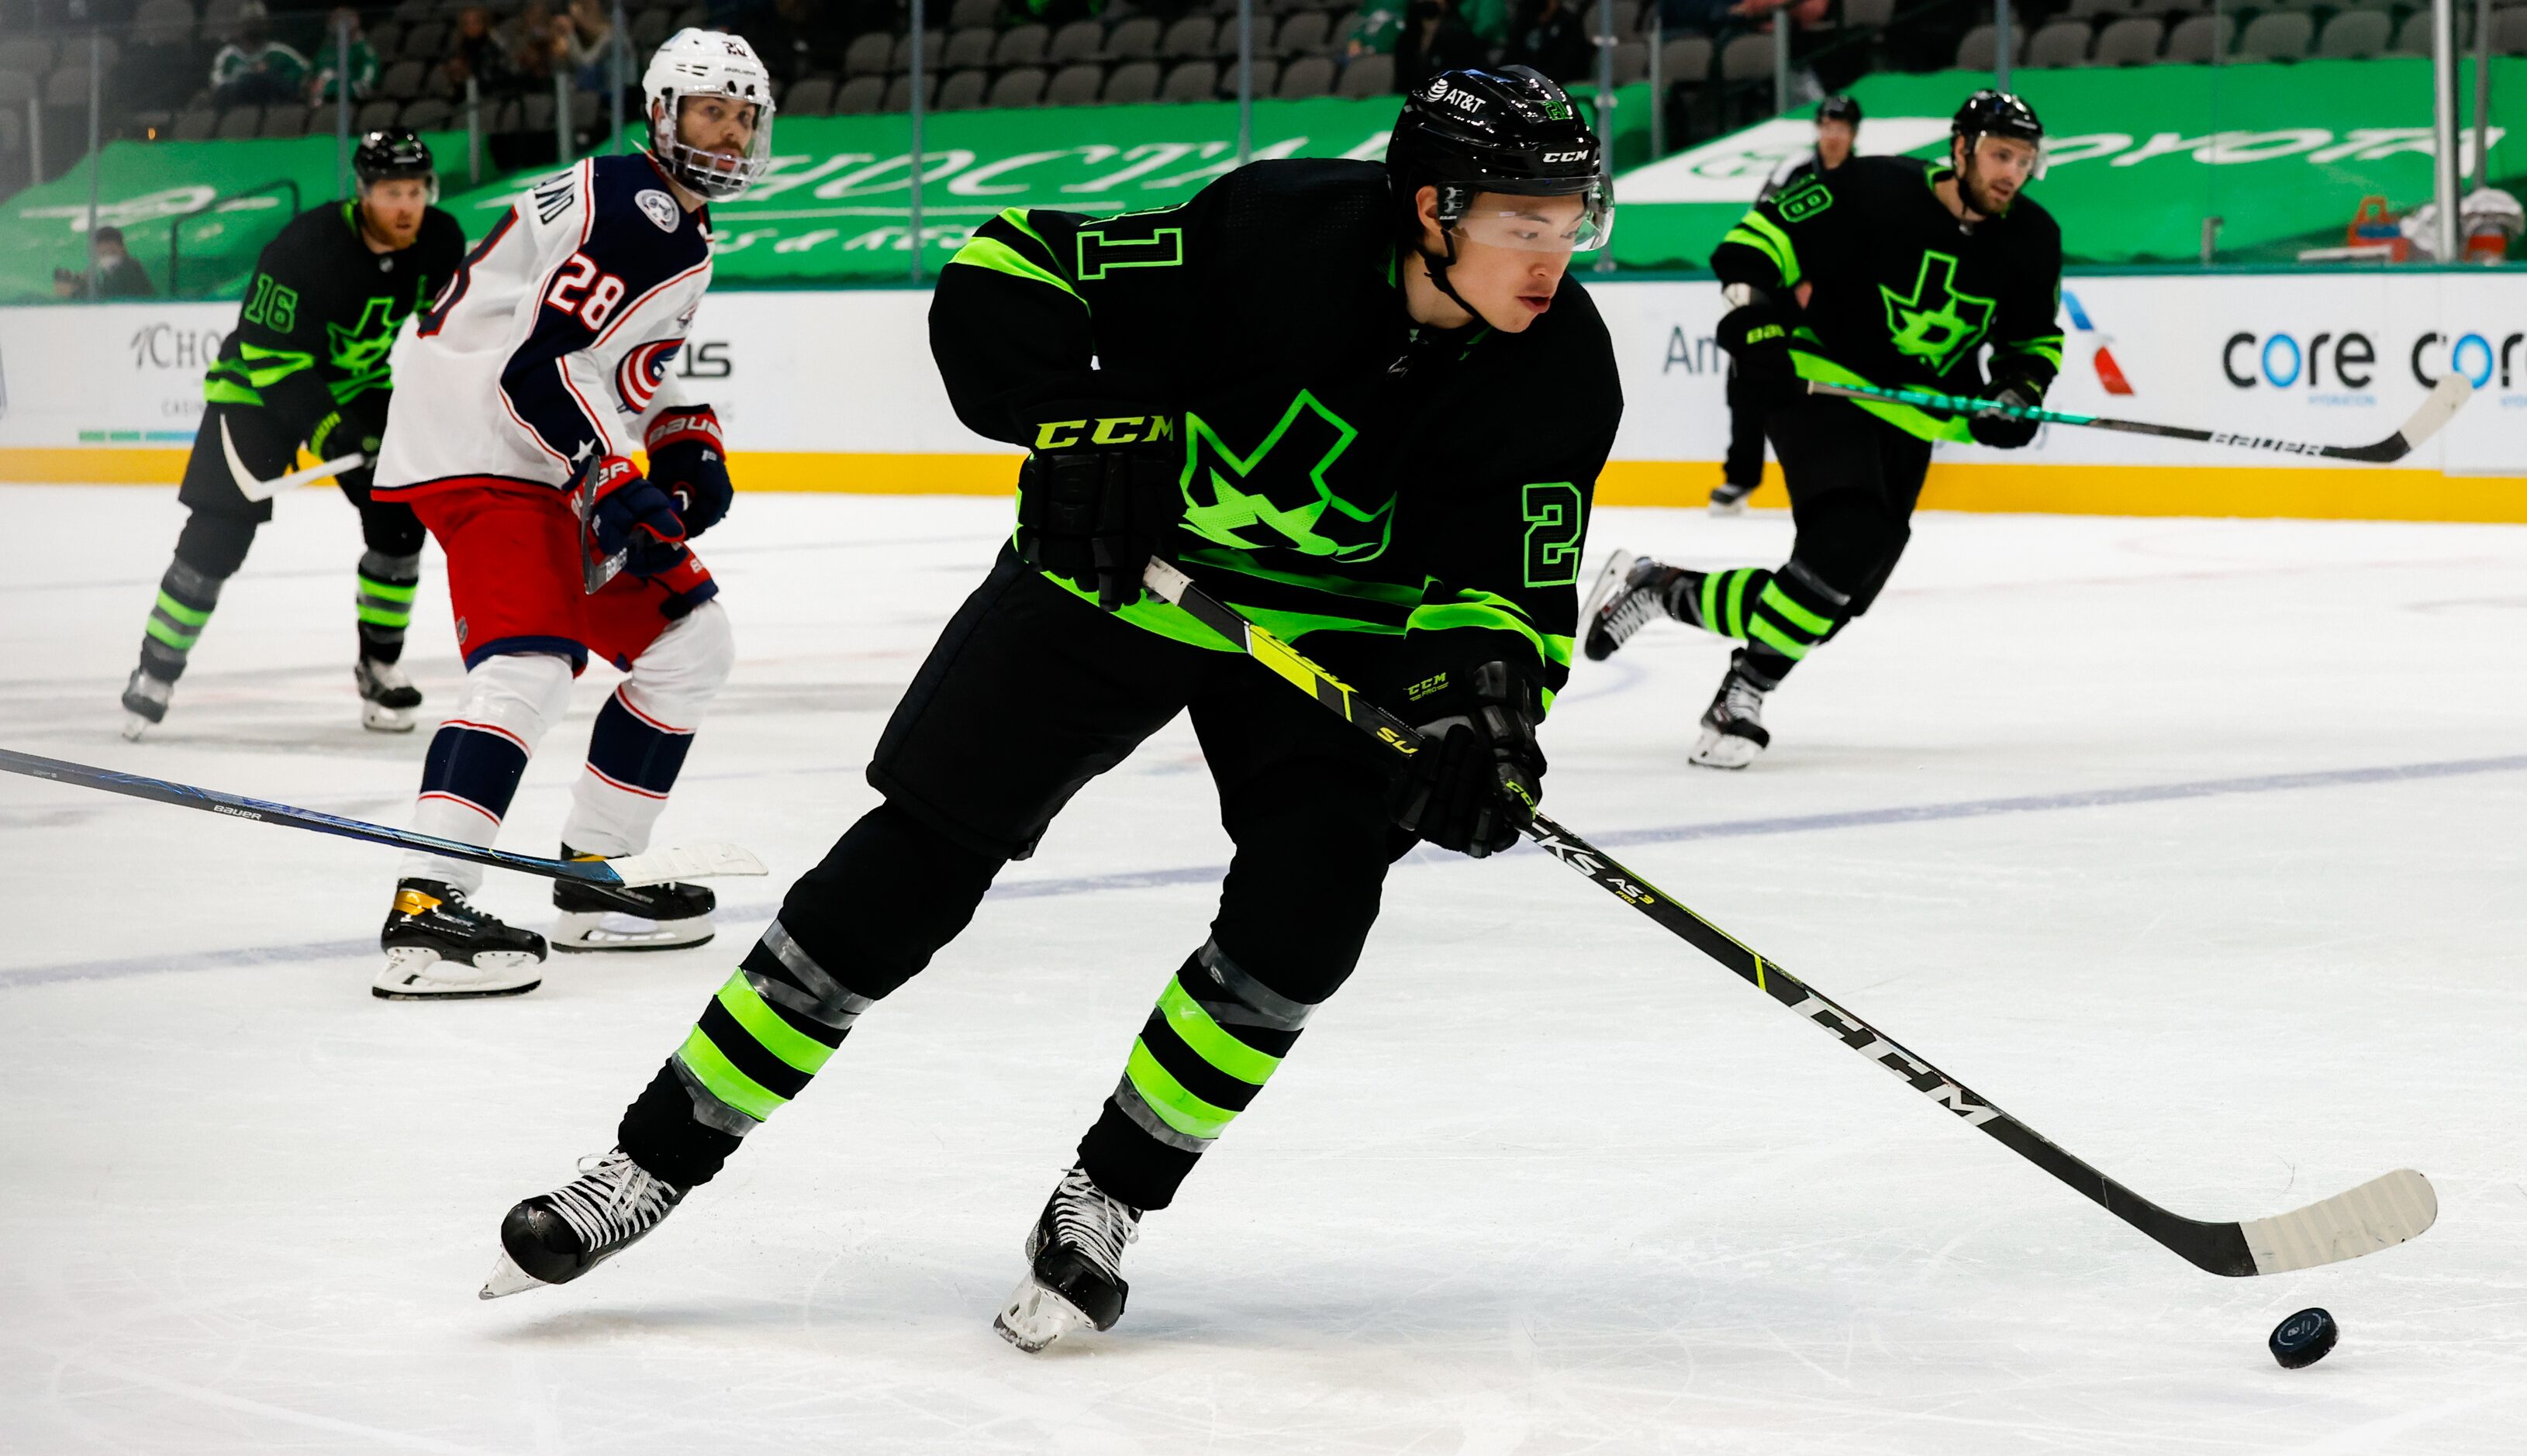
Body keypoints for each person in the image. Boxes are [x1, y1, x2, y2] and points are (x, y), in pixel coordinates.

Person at [479, 65, 1622, 1354]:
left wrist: (1479, 722)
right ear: (1429, 207)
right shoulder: (1267, 233)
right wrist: (1085, 428)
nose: (1552, 255)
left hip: (1329, 639)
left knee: (1311, 909)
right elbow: (1012, 263)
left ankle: (1107, 1199)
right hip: (1115, 580)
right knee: (911, 863)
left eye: (1569, 219)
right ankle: (647, 1164)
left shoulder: (1557, 371)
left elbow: (1500, 591)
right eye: (1521, 223)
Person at [362, 29, 772, 999]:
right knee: (529, 662)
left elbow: (617, 363)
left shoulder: (667, 214)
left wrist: (683, 442)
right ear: (661, 112)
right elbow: (535, 369)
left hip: (536, 446)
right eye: (712, 110)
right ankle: (426, 910)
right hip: (488, 447)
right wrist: (614, 477)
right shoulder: (637, 209)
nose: (732, 132)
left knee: (689, 644)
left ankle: (587, 882)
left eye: (746, 115)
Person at [1582, 90, 2061, 769]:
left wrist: (2017, 391)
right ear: (1960, 149)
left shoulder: (2032, 237)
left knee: (1833, 598)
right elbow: (1754, 244)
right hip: (1817, 382)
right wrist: (1757, 327)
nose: (2010, 172)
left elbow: (2031, 338)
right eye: (1998, 154)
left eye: (2023, 160)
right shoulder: (1871, 187)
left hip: (1912, 411)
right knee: (1851, 537)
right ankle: (1741, 694)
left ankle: (1661, 589)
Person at [119, 132, 463, 741]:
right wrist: (333, 434)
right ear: (364, 194)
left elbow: (453, 333)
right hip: (254, 389)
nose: (406, 206)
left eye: (415, 191)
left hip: (356, 385)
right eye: (391, 193)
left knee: (399, 519)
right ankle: (155, 671)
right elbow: (270, 354)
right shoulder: (306, 246)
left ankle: (380, 665)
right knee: (219, 535)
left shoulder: (439, 240)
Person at [1713, 92, 1859, 516]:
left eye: (1841, 128)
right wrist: (1795, 277)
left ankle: (1841, 474)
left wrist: (1823, 281)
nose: (1833, 136)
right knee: (1748, 374)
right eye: (1826, 127)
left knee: (1833, 386)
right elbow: (1761, 225)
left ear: (1852, 133)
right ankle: (1741, 476)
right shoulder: (1793, 171)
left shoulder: (1861, 179)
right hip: (1778, 291)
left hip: (1834, 298)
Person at [209, 1, 309, 105]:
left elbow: (306, 74)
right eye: (248, 22)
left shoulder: (280, 53)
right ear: (240, 26)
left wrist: (270, 75)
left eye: (257, 22)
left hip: (275, 112)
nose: (253, 26)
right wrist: (246, 77)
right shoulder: (227, 55)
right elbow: (217, 86)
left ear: (266, 24)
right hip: (238, 115)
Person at [54, 226, 155, 298]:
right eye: (103, 254)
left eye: (112, 252)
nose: (108, 258)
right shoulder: (100, 272)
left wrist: (73, 293)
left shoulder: (131, 270)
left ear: (123, 249)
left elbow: (111, 296)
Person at [307, 7, 381, 104]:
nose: (336, 26)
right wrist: (312, 88)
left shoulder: (364, 52)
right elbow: (310, 77)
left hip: (349, 105)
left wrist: (329, 88)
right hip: (319, 105)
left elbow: (365, 86)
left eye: (341, 21)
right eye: (334, 21)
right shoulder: (325, 50)